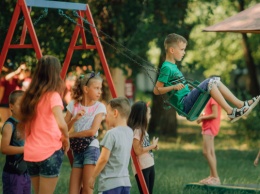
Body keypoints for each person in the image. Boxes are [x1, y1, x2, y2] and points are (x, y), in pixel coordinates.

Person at [153, 33, 260, 123]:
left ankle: (241, 104)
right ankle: (231, 112)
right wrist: (173, 87)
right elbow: (157, 90)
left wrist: (186, 86)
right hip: (184, 104)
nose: (184, 52)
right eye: (181, 49)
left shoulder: (172, 67)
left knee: (215, 81)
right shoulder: (166, 67)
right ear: (172, 50)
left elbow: (177, 86)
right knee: (211, 81)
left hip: (187, 98)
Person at [19, 55, 70, 194]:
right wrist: (66, 138)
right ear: (55, 73)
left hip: (31, 153)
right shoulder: (53, 95)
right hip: (49, 152)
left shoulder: (30, 96)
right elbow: (61, 123)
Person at [65, 71, 106, 194]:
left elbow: (92, 131)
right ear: (86, 89)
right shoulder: (73, 105)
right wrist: (74, 119)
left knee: (88, 191)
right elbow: (63, 129)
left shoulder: (99, 107)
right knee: (73, 191)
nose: (100, 91)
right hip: (77, 151)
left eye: (100, 88)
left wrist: (71, 135)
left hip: (91, 149)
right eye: (96, 88)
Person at [88, 97, 133, 194]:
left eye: (107, 113)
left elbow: (104, 159)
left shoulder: (111, 134)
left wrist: (93, 176)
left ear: (115, 113)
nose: (106, 117)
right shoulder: (130, 132)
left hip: (110, 184)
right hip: (125, 183)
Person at [1, 90, 31, 194]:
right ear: (11, 106)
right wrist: (26, 149)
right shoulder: (10, 125)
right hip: (13, 174)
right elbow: (4, 148)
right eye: (20, 104)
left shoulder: (25, 124)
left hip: (26, 172)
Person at [127, 101, 159, 194]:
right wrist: (152, 146)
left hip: (149, 164)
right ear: (142, 116)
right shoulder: (137, 131)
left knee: (149, 192)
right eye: (148, 113)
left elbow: (143, 147)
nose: (150, 116)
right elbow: (137, 150)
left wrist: (153, 147)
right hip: (142, 167)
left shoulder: (143, 130)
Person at [197, 98, 221, 185]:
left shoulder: (214, 98)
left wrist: (202, 117)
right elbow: (209, 112)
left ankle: (215, 177)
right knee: (209, 152)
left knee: (207, 152)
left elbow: (215, 114)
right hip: (207, 126)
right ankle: (212, 176)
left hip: (210, 127)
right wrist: (202, 116)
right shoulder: (209, 98)